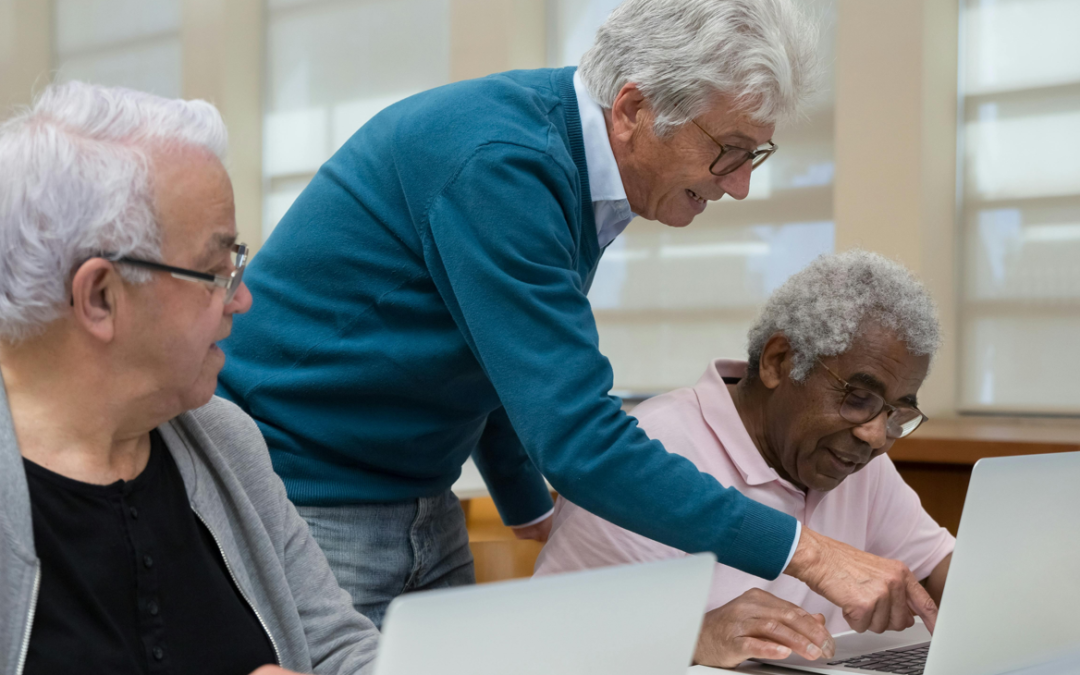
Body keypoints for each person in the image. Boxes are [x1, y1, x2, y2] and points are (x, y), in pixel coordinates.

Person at [217, 0, 938, 634]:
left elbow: (490, 350)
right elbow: (578, 437)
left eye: (756, 155)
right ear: (632, 111)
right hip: (311, 491)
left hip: (416, 494)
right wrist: (810, 553)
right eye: (727, 152)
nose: (742, 186)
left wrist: (526, 500)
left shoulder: (569, 165)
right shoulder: (502, 163)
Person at [0, 82, 378, 675]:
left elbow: (338, 650)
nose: (243, 299)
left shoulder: (225, 439)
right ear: (100, 296)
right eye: (213, 270)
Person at [535, 250, 955, 668]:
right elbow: (552, 640)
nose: (876, 435)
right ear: (778, 362)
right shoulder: (648, 451)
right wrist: (694, 639)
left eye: (895, 412)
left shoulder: (855, 459)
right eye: (858, 398)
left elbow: (942, 568)